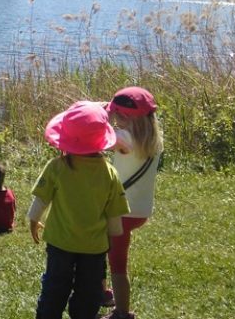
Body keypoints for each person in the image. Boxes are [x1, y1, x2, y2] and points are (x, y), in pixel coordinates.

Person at [27, 101, 130, 319]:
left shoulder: (57, 166)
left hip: (60, 243)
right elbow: (114, 216)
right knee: (89, 291)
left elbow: (41, 200)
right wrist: (114, 236)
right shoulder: (109, 173)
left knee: (55, 285)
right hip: (94, 247)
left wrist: (33, 220)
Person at [99, 87, 163, 319]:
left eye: (117, 115)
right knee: (107, 249)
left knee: (116, 262)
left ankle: (122, 312)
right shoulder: (153, 141)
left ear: (124, 118)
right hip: (140, 210)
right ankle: (102, 293)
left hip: (121, 211)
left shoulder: (123, 139)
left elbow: (97, 135)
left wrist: (101, 113)